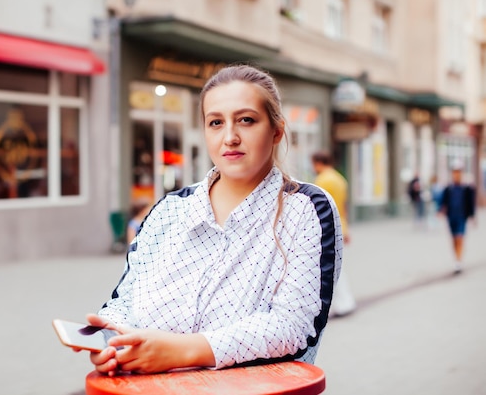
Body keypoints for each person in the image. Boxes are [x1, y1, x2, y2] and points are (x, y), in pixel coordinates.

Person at [79, 64, 343, 375]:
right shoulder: (170, 210)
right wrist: (113, 343)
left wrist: (182, 351)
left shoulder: (306, 208)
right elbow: (123, 303)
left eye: (246, 120)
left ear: (276, 131)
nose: (229, 137)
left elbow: (294, 327)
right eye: (215, 122)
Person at [311, 151, 357, 317]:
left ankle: (343, 303)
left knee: (330, 269)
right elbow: (343, 206)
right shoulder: (340, 178)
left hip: (327, 227)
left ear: (318, 163)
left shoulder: (322, 180)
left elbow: (319, 208)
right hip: (340, 224)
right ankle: (344, 302)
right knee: (337, 266)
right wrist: (347, 228)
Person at [439, 163, 476, 274]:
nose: (456, 175)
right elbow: (443, 202)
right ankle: (456, 258)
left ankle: (458, 261)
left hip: (461, 217)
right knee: (454, 239)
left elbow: (471, 203)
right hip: (451, 217)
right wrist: (440, 210)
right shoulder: (448, 189)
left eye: (458, 173)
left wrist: (472, 216)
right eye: (455, 173)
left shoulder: (466, 189)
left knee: (460, 237)